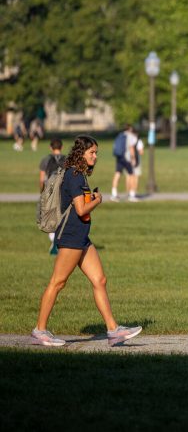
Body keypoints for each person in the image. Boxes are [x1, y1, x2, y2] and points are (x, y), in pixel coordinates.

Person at [31, 135, 143, 347]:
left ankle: (113, 331)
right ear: (81, 153)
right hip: (71, 236)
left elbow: (78, 205)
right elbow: (81, 209)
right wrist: (97, 200)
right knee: (58, 282)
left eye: (96, 153)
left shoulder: (79, 174)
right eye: (92, 152)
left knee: (99, 280)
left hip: (82, 237)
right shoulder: (74, 175)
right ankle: (40, 330)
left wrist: (90, 198)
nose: (95, 156)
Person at [39, 138, 66, 255]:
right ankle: (59, 242)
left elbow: (41, 179)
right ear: (62, 147)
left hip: (50, 190)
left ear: (50, 147)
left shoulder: (46, 159)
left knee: (50, 216)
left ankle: (54, 242)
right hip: (63, 190)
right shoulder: (67, 159)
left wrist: (42, 192)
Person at [110, 125, 137, 202]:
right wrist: (133, 159)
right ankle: (132, 195)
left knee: (117, 174)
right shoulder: (130, 136)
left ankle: (114, 194)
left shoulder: (120, 135)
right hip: (127, 158)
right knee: (131, 175)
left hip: (119, 157)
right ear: (129, 129)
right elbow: (131, 148)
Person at [128, 128, 144, 201]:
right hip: (135, 160)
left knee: (130, 176)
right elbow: (141, 152)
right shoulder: (138, 141)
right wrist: (134, 158)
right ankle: (132, 194)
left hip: (128, 160)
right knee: (135, 177)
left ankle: (130, 193)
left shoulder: (128, 140)